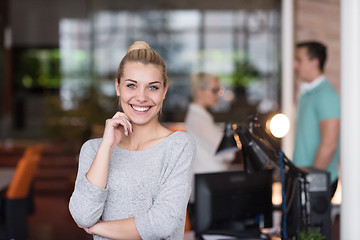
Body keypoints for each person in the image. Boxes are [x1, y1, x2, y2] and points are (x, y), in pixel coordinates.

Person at [69, 41, 196, 240]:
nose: (141, 97)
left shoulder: (178, 145)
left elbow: (163, 223)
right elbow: (83, 215)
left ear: (164, 91)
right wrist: (107, 147)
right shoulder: (94, 149)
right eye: (131, 85)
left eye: (152, 87)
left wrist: (97, 228)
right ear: (117, 86)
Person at [293, 41, 340, 198]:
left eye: (299, 60)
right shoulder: (307, 95)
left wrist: (310, 181)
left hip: (317, 182)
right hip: (306, 180)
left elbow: (329, 144)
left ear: (315, 62)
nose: (294, 65)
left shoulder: (326, 95)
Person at [185, 72, 235, 204]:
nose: (218, 94)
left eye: (219, 90)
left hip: (207, 187)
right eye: (214, 90)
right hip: (208, 188)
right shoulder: (199, 119)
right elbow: (229, 154)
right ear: (198, 91)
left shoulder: (198, 117)